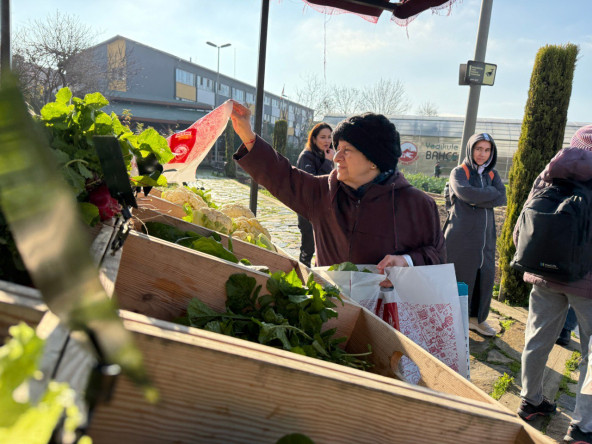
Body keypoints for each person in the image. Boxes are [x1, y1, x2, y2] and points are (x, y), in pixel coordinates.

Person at [228, 100, 445, 274]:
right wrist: (247, 135)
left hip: (391, 316)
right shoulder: (323, 192)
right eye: (336, 148)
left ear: (374, 160)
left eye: (346, 150)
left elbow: (437, 257)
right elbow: (282, 176)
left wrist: (406, 261)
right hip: (334, 310)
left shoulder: (418, 204)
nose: (336, 157)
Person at [515, 124, 592, 444]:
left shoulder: (550, 172)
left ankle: (530, 401)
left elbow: (524, 219)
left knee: (536, 338)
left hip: (543, 274)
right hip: (586, 281)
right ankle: (583, 426)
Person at [444, 133, 507, 337]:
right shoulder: (459, 172)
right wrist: (486, 195)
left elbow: (501, 197)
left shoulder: (492, 175)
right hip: (461, 237)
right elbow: (466, 193)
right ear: (471, 149)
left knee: (484, 277)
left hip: (486, 239)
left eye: (487, 150)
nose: (482, 154)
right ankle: (452, 321)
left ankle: (476, 320)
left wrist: (477, 199)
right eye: (478, 149)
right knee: (460, 277)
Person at [295, 123, 335, 267]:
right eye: (322, 137)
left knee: (323, 247)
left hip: (323, 208)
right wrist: (328, 162)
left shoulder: (327, 154)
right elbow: (312, 183)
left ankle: (319, 275)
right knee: (309, 246)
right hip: (306, 208)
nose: (327, 141)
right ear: (314, 139)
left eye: (329, 137)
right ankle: (302, 274)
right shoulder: (306, 156)